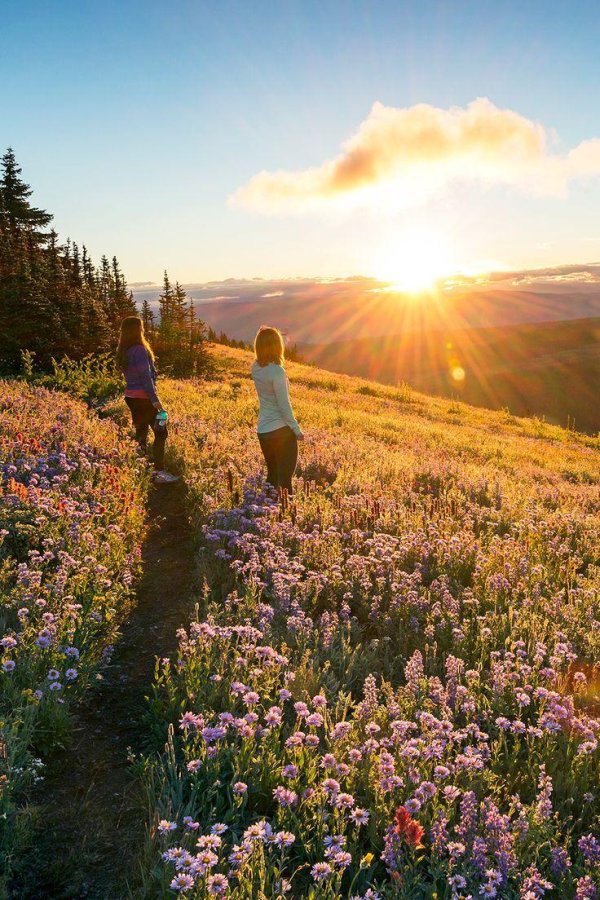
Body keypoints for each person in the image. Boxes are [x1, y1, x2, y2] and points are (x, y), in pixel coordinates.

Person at [116, 316, 180, 484]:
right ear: (138, 330)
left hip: (131, 397)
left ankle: (140, 471)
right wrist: (156, 401)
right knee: (161, 432)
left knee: (141, 434)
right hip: (145, 399)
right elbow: (146, 378)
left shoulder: (124, 350)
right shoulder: (140, 350)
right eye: (141, 327)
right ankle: (158, 472)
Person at [251, 325, 304, 495]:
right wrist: (296, 429)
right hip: (281, 431)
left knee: (272, 477)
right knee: (285, 481)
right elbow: (284, 405)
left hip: (263, 431)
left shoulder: (256, 368)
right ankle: (286, 514)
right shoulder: (277, 371)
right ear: (277, 346)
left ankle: (264, 513)